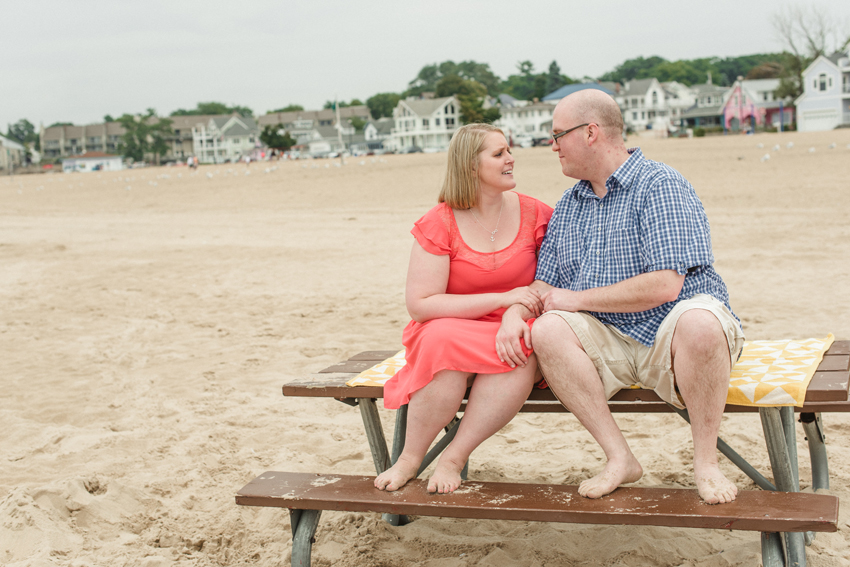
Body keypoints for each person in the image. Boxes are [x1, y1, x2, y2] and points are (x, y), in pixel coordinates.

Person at [497, 89, 744, 505]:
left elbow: (665, 285)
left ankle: (706, 462)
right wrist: (514, 313)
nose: (552, 145)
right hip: (609, 339)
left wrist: (576, 299)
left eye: (558, 134)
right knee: (548, 329)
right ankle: (619, 457)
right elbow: (545, 287)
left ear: (591, 132)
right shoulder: (571, 204)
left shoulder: (659, 184)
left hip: (674, 330)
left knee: (700, 323)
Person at [377, 123, 554, 494]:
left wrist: (514, 311)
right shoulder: (439, 223)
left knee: (524, 343)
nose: (511, 159)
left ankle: (454, 457)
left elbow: (553, 279)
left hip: (513, 327)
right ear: (471, 167)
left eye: (509, 150)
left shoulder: (537, 214)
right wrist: (503, 298)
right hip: (452, 327)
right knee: (441, 339)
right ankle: (410, 459)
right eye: (499, 153)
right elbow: (421, 305)